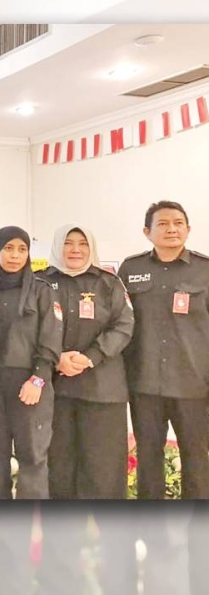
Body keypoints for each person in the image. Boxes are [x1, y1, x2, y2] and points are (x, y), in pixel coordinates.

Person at [35, 224, 136, 595]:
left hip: (102, 394)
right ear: (57, 247)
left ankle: (115, 575)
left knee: (105, 480)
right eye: (68, 243)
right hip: (55, 394)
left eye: (82, 243)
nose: (75, 249)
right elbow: (28, 327)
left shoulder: (109, 283)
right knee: (60, 477)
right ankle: (61, 575)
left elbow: (124, 325)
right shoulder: (40, 282)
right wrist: (56, 358)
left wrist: (90, 357)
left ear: (91, 247)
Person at [0, 226, 61, 594]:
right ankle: (2, 541)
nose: (14, 255)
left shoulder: (42, 290)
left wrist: (38, 379)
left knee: (33, 460)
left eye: (21, 249)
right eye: (8, 248)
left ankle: (32, 542)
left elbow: (51, 340)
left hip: (31, 386)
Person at [118, 200, 209, 500]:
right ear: (147, 232)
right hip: (144, 385)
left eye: (178, 223)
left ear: (188, 229)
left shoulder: (205, 269)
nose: (172, 229)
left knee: (197, 460)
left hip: (193, 386)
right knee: (148, 460)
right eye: (163, 224)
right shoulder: (131, 269)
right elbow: (119, 322)